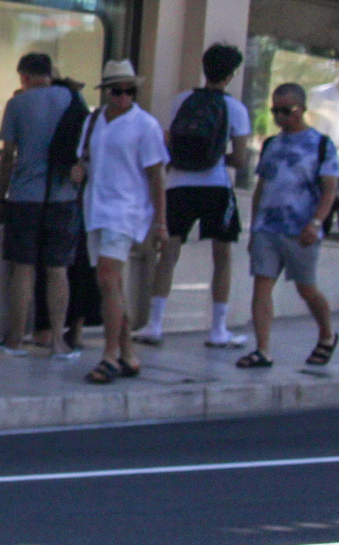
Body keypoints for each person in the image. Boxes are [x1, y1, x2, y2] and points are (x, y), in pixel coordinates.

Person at [137, 42, 252, 348]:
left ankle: (155, 324)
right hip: (216, 186)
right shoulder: (235, 109)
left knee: (169, 254)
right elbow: (240, 160)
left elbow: (170, 144)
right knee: (223, 256)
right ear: (230, 75)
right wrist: (216, 158)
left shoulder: (181, 101)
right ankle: (218, 329)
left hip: (178, 185)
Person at [73, 59, 168, 383]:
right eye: (118, 90)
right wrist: (79, 171)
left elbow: (157, 176)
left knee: (108, 278)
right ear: (107, 92)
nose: (124, 96)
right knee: (110, 284)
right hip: (95, 209)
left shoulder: (146, 126)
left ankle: (110, 354)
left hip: (125, 210)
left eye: (130, 90)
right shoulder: (94, 121)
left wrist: (160, 222)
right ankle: (127, 353)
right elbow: (84, 159)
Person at [236, 82, 338, 371]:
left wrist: (316, 222)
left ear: (302, 109)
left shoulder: (321, 145)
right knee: (262, 286)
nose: (280, 117)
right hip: (268, 228)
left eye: (286, 111)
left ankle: (327, 335)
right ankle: (263, 350)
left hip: (301, 229)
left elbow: (330, 189)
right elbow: (261, 188)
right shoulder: (271, 144)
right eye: (275, 111)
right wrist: (254, 227)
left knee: (306, 289)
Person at [0, 51, 80, 354]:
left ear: (25, 77)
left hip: (25, 197)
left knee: (23, 268)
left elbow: (7, 158)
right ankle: (57, 340)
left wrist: (1, 197)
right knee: (58, 269)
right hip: (62, 194)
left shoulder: (17, 103)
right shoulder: (70, 98)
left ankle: (16, 337)